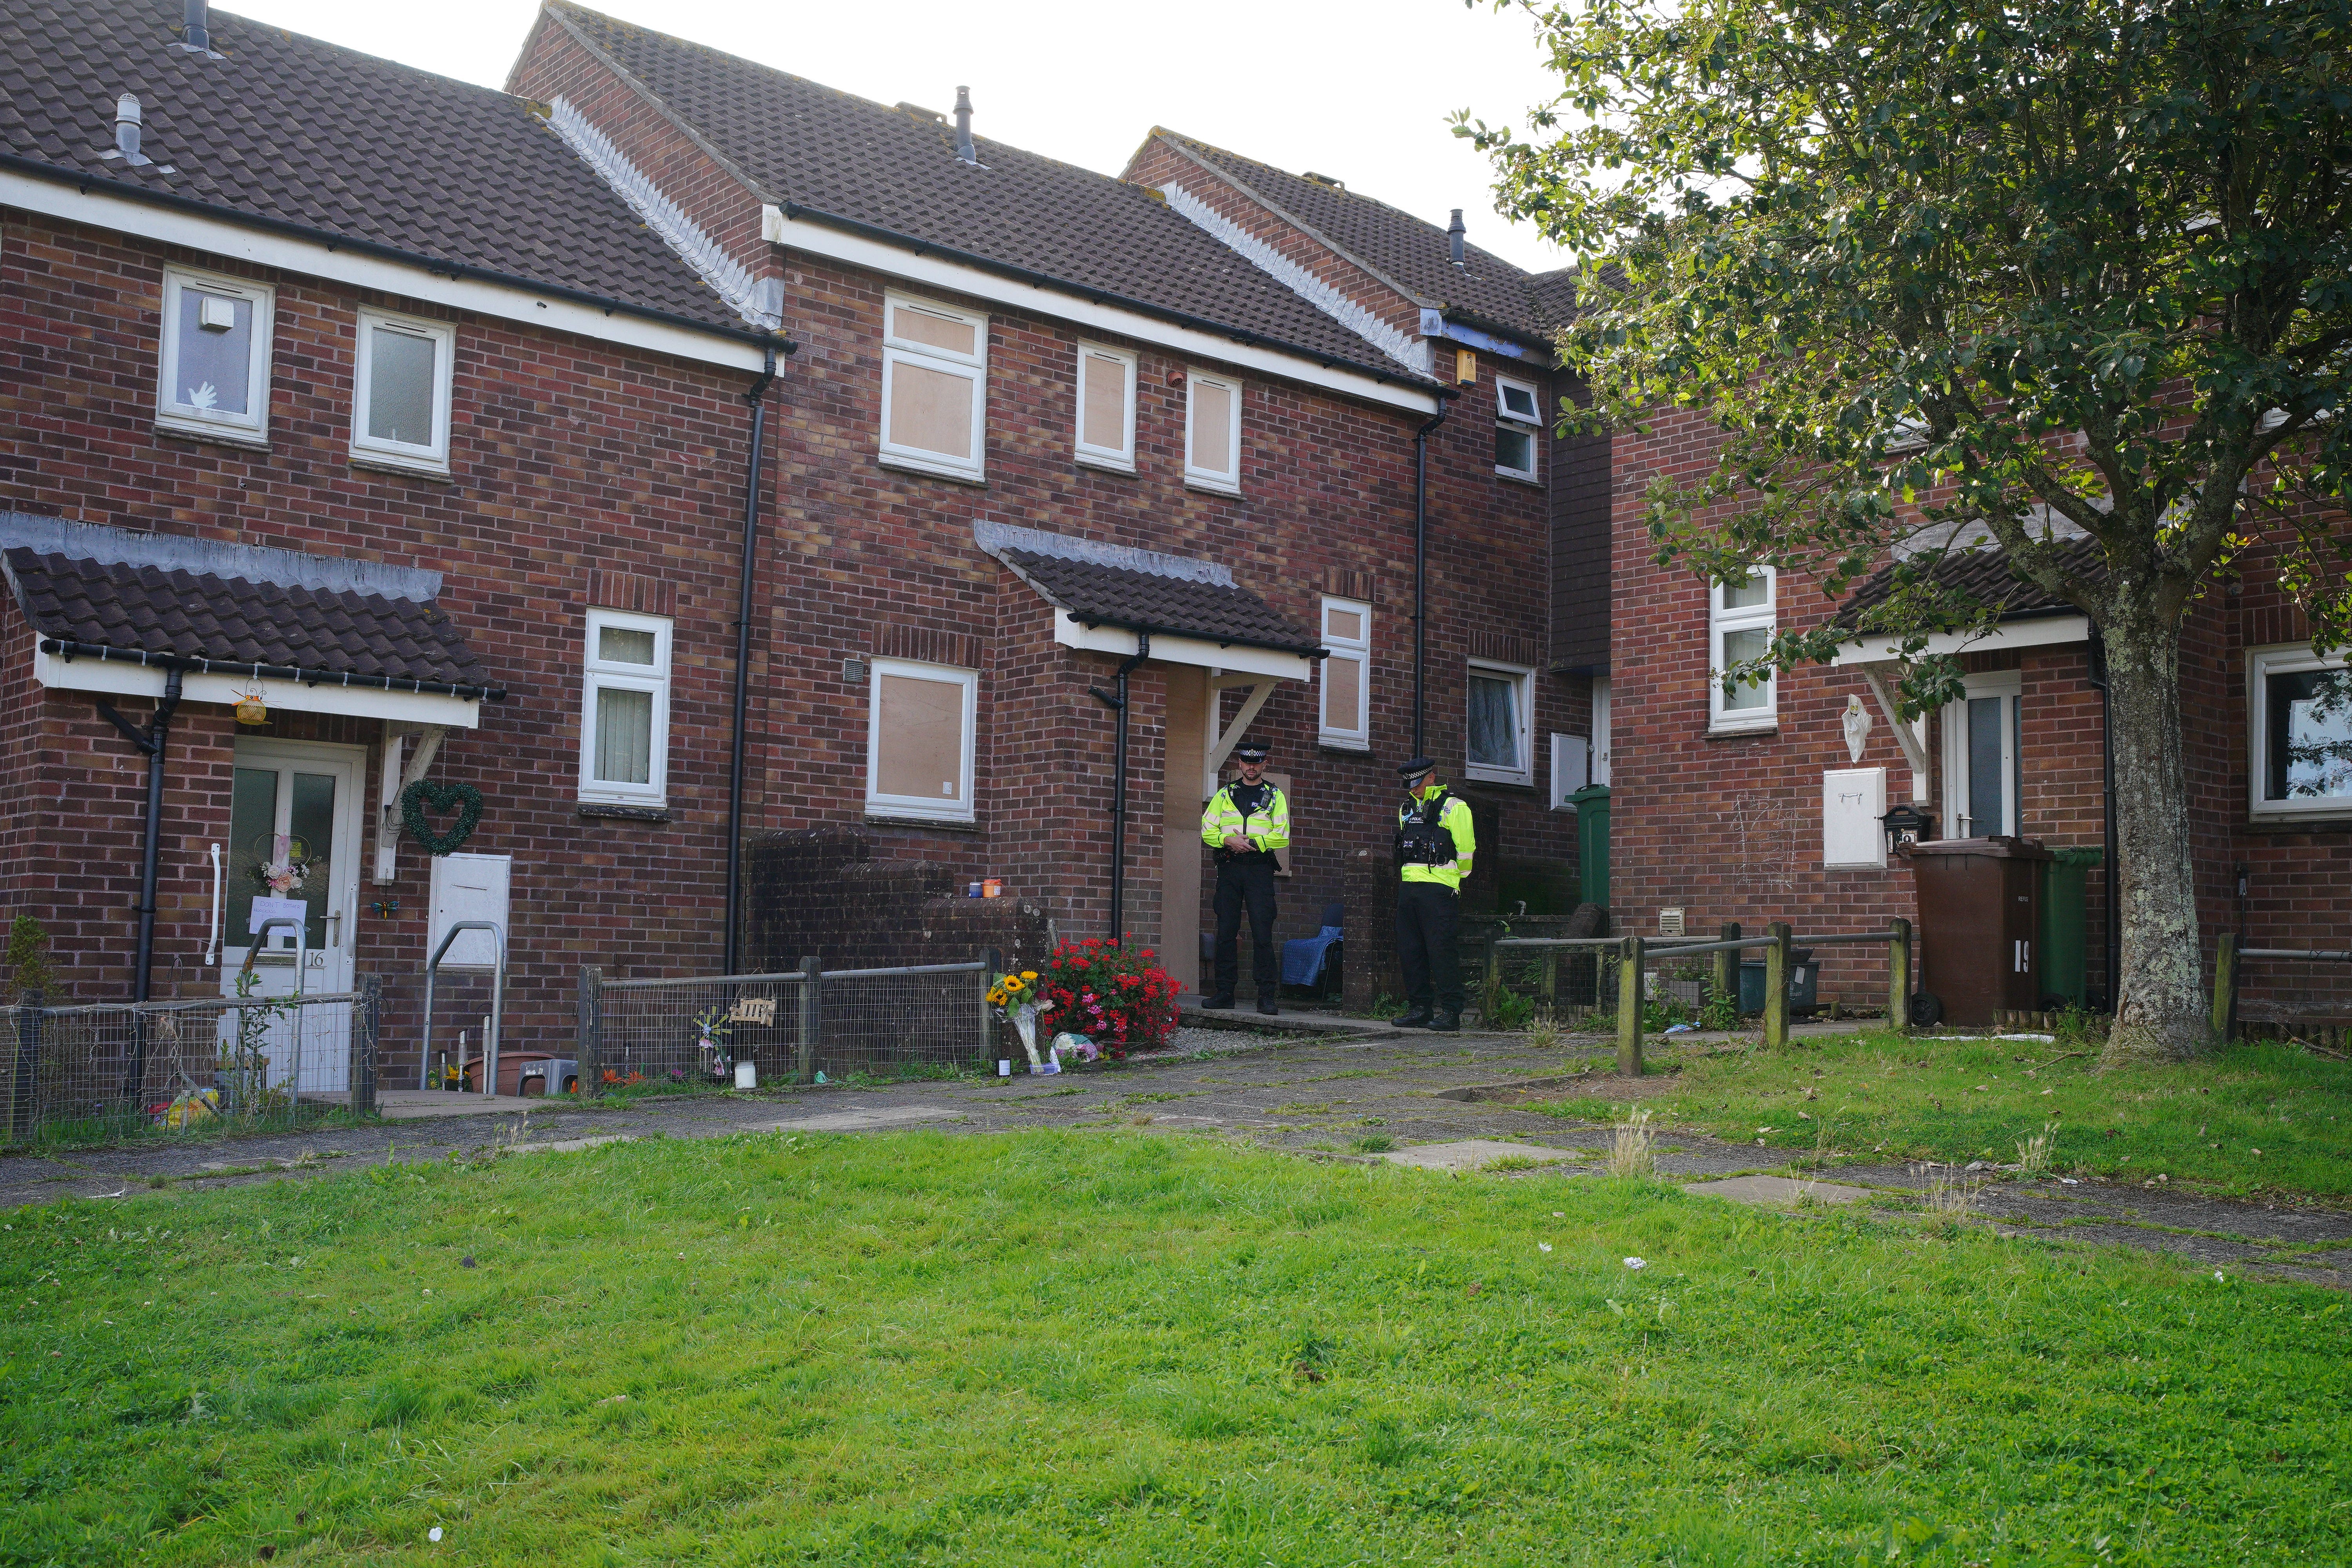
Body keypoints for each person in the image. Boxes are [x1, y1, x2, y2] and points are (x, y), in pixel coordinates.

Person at [1199, 740, 1290, 1014]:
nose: (1251, 767)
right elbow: (1206, 830)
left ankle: (1266, 996)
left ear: (1265, 764)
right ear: (1239, 764)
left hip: (1259, 869)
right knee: (1226, 930)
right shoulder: (1225, 795)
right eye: (1247, 762)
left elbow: (1282, 834)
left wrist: (1251, 843)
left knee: (1263, 931)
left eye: (1257, 762)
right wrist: (1228, 840)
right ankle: (1225, 993)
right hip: (1229, 867)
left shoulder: (1275, 796)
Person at [1392, 756, 1475, 1030]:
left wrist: (1454, 880)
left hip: (1439, 890)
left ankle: (1452, 1012)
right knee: (1411, 951)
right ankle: (1420, 1009)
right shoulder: (1406, 809)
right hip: (1409, 889)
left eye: (1417, 783)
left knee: (1441, 951)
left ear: (1431, 777)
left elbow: (1466, 852)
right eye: (1409, 784)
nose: (1412, 789)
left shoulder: (1453, 807)